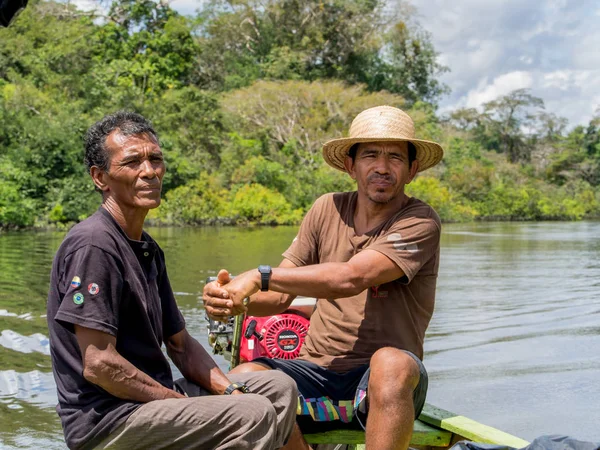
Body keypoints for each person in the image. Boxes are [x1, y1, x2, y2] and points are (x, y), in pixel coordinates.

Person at [47, 111, 297, 450]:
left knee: (278, 387)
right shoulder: (94, 245)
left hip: (151, 403)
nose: (149, 171)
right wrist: (178, 403)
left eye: (155, 159)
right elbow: (99, 365)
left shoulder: (148, 249)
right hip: (108, 421)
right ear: (100, 178)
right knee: (251, 412)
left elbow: (180, 344)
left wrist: (229, 390)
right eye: (132, 162)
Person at [203, 105, 444, 450]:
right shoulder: (326, 208)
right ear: (350, 166)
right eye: (370, 155)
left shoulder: (419, 220)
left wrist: (259, 275)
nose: (381, 167)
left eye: (395, 158)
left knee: (390, 363)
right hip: (316, 370)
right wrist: (230, 300)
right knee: (240, 381)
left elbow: (350, 277)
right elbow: (279, 296)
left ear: (412, 169)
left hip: (388, 383)